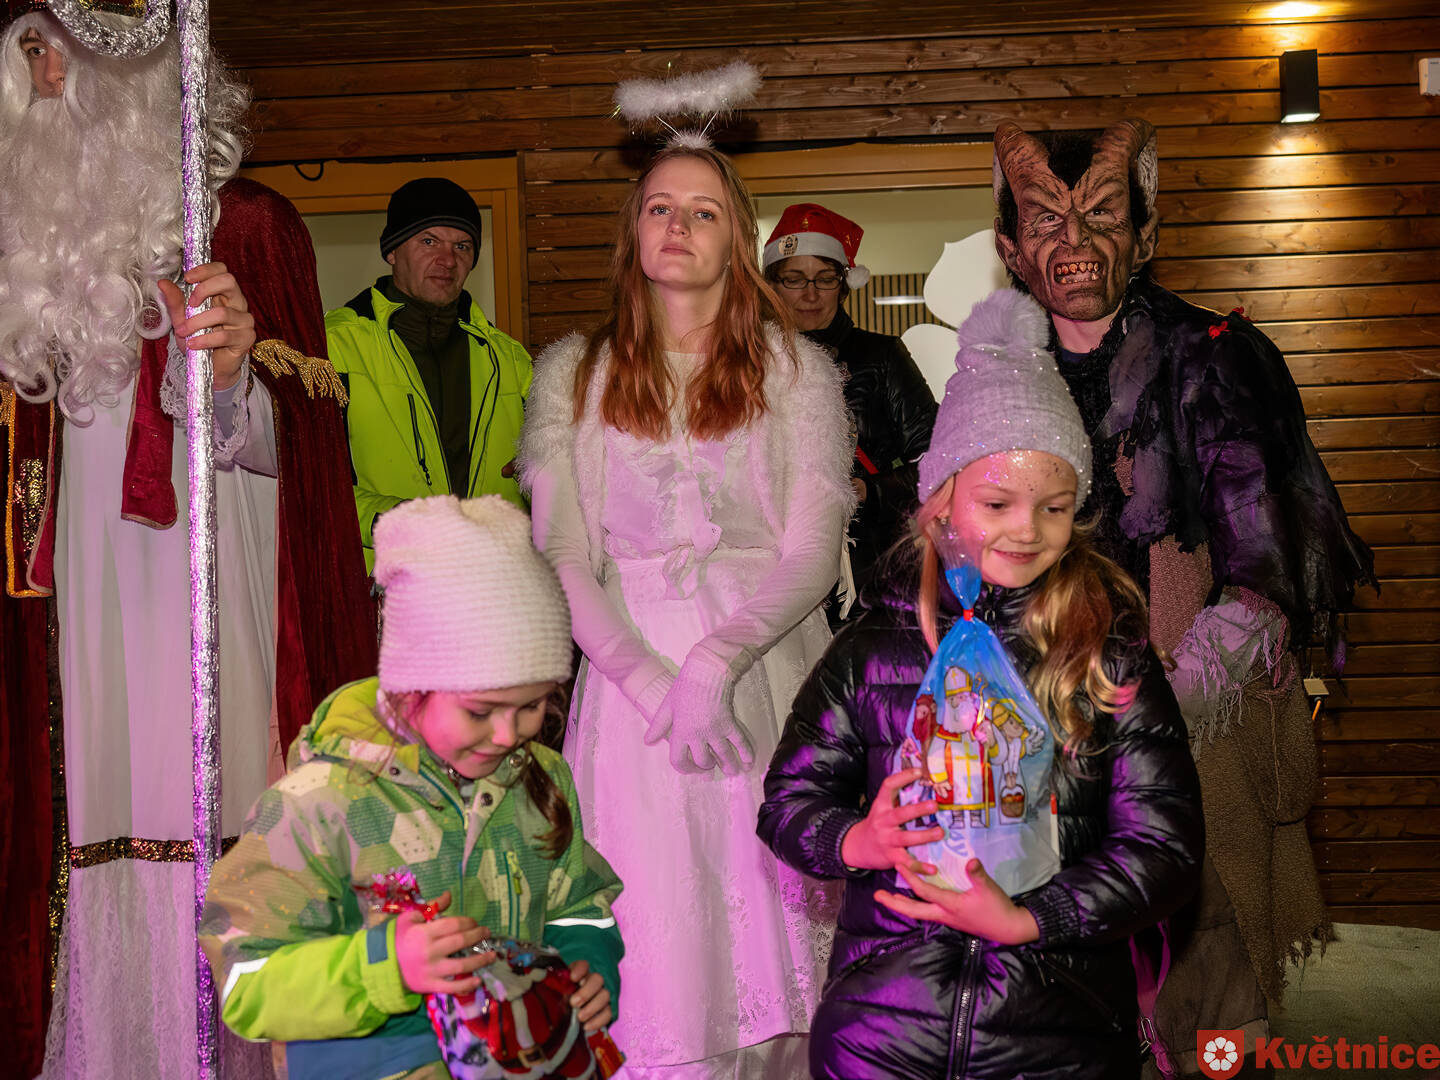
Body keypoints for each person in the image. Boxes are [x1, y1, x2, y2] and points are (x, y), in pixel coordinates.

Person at [0, 8, 375, 1078]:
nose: (46, 70)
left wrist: (238, 377)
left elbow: (311, 461)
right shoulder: (12, 243)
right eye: (26, 46)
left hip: (211, 589)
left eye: (66, 41)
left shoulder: (244, 225)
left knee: (214, 800)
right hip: (64, 617)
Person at [990, 118, 1375, 1077]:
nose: (1076, 242)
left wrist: (1151, 705)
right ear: (1009, 246)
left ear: (1147, 233)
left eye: (1103, 216)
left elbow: (1263, 565)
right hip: (1027, 715)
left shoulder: (1213, 355)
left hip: (1185, 708)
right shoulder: (996, 375)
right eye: (1045, 220)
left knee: (1201, 968)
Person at [758, 287, 1204, 1080]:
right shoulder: (872, 649)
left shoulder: (1107, 654)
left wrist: (1033, 918)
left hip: (1056, 1029)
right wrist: (857, 840)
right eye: (997, 502)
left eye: (1055, 508)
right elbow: (789, 802)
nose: (1026, 529)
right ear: (941, 502)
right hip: (882, 1030)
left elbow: (1164, 847)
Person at [518, 145, 855, 1077]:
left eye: (704, 211)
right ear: (633, 229)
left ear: (737, 238)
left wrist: (715, 664)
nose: (678, 226)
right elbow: (564, 554)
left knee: (770, 914)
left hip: (766, 669)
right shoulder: (574, 375)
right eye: (660, 207)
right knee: (658, 922)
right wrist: (648, 680)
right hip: (629, 693)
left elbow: (812, 551)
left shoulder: (797, 372)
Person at [201, 494, 623, 1080]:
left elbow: (580, 906)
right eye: (481, 711)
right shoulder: (320, 802)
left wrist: (587, 965)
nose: (509, 734)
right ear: (411, 685)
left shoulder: (540, 779)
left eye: (532, 705)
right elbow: (247, 983)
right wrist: (383, 967)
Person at [326, 177, 534, 572]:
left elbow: (553, 489)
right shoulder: (332, 348)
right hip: (383, 586)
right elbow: (307, 483)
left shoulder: (510, 360)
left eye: (462, 246)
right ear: (392, 251)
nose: (448, 260)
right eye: (429, 241)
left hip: (498, 585)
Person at [762, 202, 937, 612]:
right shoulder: (749, 363)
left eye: (825, 279)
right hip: (772, 567)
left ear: (843, 284)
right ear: (772, 286)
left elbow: (942, 459)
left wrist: (870, 490)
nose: (810, 294)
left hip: (869, 567)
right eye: (794, 279)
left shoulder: (882, 356)